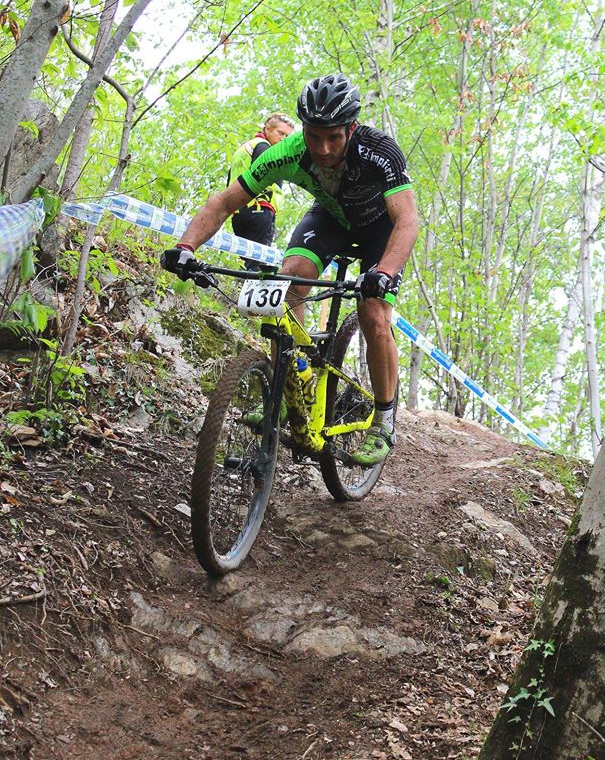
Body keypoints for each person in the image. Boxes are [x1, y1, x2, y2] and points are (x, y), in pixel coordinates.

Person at [162, 73, 419, 467]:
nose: (323, 148)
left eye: (334, 137)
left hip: (380, 228)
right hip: (331, 218)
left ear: (351, 127)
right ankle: (293, 388)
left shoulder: (379, 151)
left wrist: (383, 272)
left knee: (373, 313)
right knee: (289, 280)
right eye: (315, 136)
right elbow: (224, 202)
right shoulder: (287, 152)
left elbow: (407, 221)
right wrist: (185, 247)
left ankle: (383, 421)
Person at [227, 113, 294, 269]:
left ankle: (239, 289)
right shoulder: (264, 148)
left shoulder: (245, 148)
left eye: (287, 136)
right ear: (267, 129)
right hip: (259, 208)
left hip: (239, 213)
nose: (284, 139)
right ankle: (247, 292)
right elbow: (273, 178)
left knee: (246, 261)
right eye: (280, 133)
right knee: (257, 263)